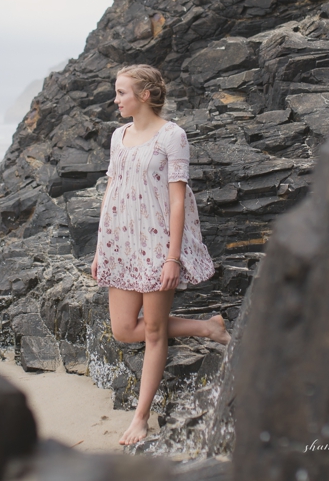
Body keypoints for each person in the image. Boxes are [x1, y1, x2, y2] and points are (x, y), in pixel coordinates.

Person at [91, 63, 231, 446]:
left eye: (121, 92)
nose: (115, 99)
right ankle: (207, 327)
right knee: (123, 330)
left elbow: (177, 199)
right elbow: (112, 190)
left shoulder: (173, 136)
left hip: (156, 243)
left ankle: (141, 417)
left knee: (153, 331)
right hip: (121, 243)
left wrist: (173, 258)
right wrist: (102, 246)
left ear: (145, 96)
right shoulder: (118, 136)